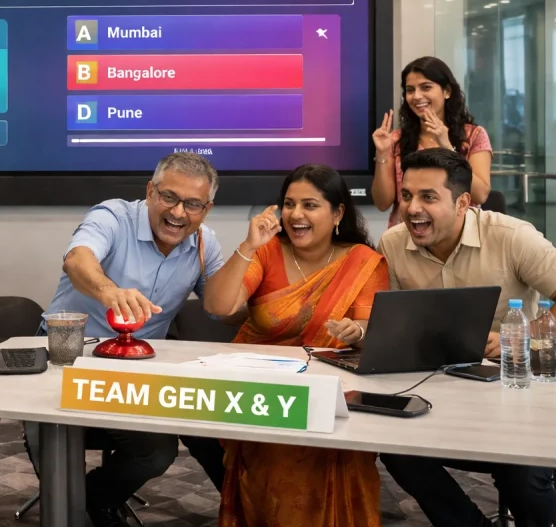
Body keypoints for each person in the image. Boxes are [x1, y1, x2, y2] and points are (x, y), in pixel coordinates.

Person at [28, 152, 226, 527]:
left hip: (132, 374)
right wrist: (108, 291)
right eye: (169, 197)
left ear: (207, 208)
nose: (178, 213)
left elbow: (222, 306)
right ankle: (71, 505)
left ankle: (92, 499)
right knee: (55, 473)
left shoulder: (204, 244)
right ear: (150, 191)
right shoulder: (113, 216)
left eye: (193, 204)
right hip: (66, 361)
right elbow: (77, 260)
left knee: (156, 451)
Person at [377, 148, 556, 527]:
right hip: (440, 387)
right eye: (407, 196)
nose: (412, 209)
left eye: (428, 197)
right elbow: (388, 323)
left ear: (462, 202)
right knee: (394, 446)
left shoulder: (512, 237)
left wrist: (519, 337)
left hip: (515, 388)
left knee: (521, 473)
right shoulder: (393, 244)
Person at [204, 164, 388, 527]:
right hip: (262, 394)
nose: (295, 214)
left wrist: (357, 332)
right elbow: (218, 306)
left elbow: (373, 330)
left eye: (309, 205)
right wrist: (247, 246)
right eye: (289, 204)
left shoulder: (363, 262)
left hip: (333, 394)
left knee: (335, 453)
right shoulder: (267, 252)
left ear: (337, 213)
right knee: (278, 459)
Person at [372, 56, 492, 228]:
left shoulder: (474, 135)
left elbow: (480, 195)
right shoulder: (396, 139)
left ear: (447, 91)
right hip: (407, 235)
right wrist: (382, 154)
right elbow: (382, 203)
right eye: (410, 90)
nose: (417, 96)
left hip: (460, 236)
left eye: (426, 87)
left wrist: (447, 148)